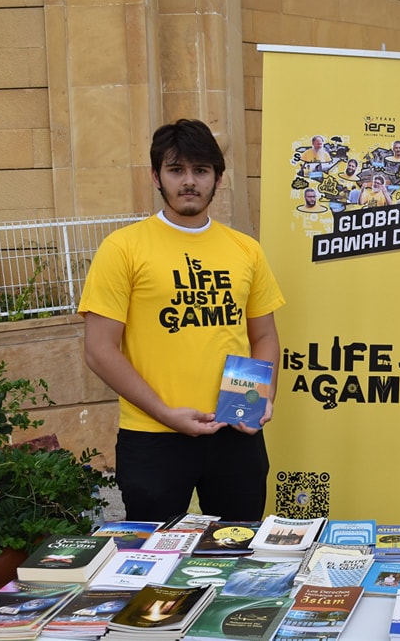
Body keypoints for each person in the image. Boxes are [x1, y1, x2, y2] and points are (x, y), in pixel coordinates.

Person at [79, 119, 286, 523]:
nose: (189, 181)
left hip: (234, 431)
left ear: (218, 178)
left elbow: (263, 336)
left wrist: (258, 400)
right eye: (176, 170)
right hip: (153, 435)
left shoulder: (246, 250)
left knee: (237, 549)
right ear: (156, 176)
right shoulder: (123, 248)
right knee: (155, 553)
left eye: (200, 170)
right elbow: (99, 350)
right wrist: (164, 412)